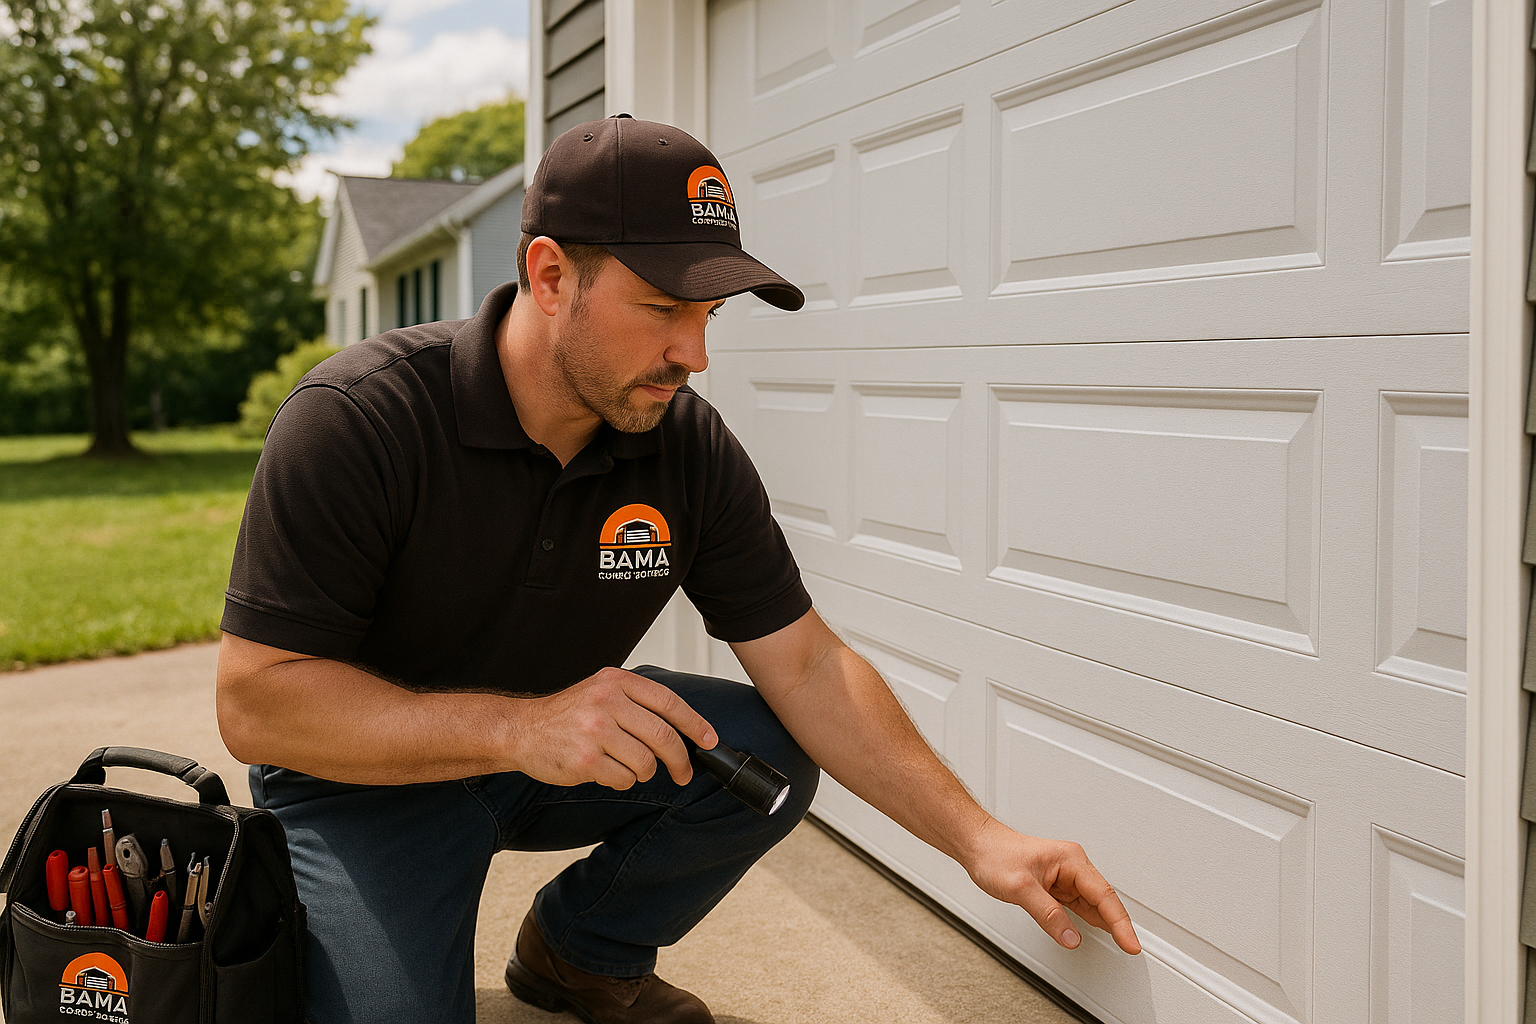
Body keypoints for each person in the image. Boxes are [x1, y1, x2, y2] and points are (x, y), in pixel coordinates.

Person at [215, 114, 1140, 1024]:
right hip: (366, 784)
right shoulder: (359, 418)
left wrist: (984, 843)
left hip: (562, 752)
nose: (693, 355)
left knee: (770, 751)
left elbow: (809, 668)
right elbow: (255, 703)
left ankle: (579, 955)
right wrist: (517, 729)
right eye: (662, 308)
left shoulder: (683, 446)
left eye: (707, 314)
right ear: (549, 276)